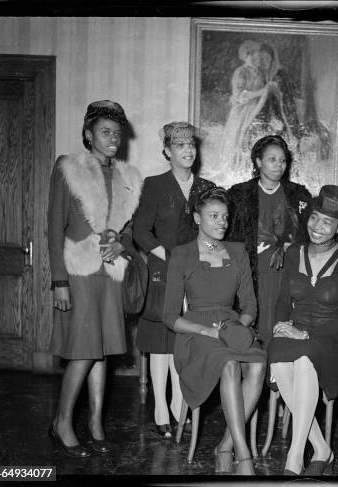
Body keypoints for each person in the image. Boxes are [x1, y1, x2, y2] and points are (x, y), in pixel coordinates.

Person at [48, 100, 143, 457]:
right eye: (105, 132)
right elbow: (54, 226)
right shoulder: (68, 168)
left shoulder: (128, 177)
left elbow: (130, 233)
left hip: (111, 273)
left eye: (117, 133)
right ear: (89, 135)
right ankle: (62, 423)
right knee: (84, 351)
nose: (113, 138)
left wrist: (121, 243)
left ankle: (96, 425)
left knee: (102, 353)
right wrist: (59, 281)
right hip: (79, 271)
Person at [163, 187, 266, 475]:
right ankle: (243, 456)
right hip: (196, 335)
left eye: (225, 216)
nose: (222, 222)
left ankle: (225, 446)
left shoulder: (237, 251)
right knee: (230, 364)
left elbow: (249, 308)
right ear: (197, 218)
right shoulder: (182, 254)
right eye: (214, 216)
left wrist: (236, 327)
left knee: (258, 364)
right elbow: (170, 316)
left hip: (232, 327)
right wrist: (208, 332)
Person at [268, 185, 338, 475]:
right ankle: (322, 448)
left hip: (330, 339)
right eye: (314, 218)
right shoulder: (295, 251)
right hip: (296, 331)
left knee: (306, 358)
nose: (317, 227)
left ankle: (294, 458)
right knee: (279, 354)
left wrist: (308, 335)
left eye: (327, 222)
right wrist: (280, 325)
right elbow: (284, 300)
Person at [133, 122, 215, 438]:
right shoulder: (154, 185)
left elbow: (214, 231)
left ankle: (181, 406)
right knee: (161, 342)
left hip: (195, 274)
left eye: (191, 144)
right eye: (180, 145)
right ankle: (160, 410)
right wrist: (166, 256)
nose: (188, 150)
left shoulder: (206, 187)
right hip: (163, 271)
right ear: (167, 151)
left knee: (187, 341)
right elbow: (141, 230)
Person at [227, 134, 312, 348]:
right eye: (272, 159)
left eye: (282, 160)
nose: (279, 165)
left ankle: (277, 379)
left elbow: (310, 234)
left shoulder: (297, 194)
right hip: (250, 273)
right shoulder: (239, 194)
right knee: (254, 328)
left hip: (285, 274)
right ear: (258, 161)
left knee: (280, 325)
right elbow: (223, 234)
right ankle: (255, 377)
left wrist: (290, 246)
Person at [219, 40, 268, 171]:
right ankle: (236, 169)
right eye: (249, 55)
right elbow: (240, 95)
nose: (253, 57)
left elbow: (266, 91)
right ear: (244, 57)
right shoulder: (240, 72)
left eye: (255, 54)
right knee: (239, 138)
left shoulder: (261, 72)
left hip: (256, 110)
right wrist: (260, 92)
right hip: (242, 111)